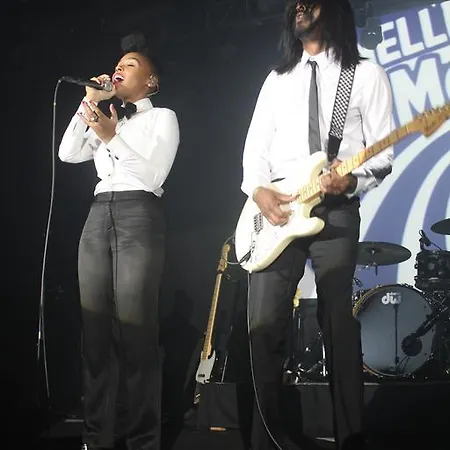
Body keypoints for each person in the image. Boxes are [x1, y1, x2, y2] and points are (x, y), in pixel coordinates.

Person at [240, 1, 393, 449]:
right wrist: (259, 191)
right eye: (295, 4)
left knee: (337, 322)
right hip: (278, 209)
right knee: (262, 325)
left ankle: (350, 438)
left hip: (336, 207)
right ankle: (270, 440)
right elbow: (255, 148)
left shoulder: (364, 74)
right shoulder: (277, 79)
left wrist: (351, 179)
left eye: (310, 1)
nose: (300, 7)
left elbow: (382, 154)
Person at [59, 32, 180, 450]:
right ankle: (97, 439)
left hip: (138, 212)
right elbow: (67, 152)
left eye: (130, 64)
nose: (119, 68)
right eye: (118, 64)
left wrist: (112, 137)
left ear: (151, 82)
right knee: (94, 335)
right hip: (97, 214)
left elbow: (153, 176)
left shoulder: (162, 117)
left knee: (136, 331)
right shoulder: (105, 117)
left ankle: (143, 440)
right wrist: (88, 103)